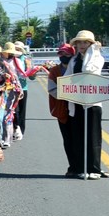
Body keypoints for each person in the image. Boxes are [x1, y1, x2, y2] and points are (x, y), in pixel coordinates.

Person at [67, 30, 107, 179]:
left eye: (85, 42)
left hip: (92, 102)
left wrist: (93, 51)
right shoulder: (73, 60)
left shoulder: (97, 58)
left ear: (91, 44)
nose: (82, 45)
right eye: (79, 42)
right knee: (78, 136)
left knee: (93, 136)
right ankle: (80, 167)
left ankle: (94, 168)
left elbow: (88, 70)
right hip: (76, 101)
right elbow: (67, 77)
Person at [47, 43, 78, 177]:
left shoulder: (78, 68)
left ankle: (81, 166)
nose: (63, 56)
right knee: (68, 139)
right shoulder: (54, 71)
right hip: (62, 110)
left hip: (78, 109)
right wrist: (68, 94)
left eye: (66, 53)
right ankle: (72, 166)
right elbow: (52, 90)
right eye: (61, 53)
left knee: (79, 139)